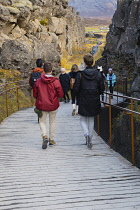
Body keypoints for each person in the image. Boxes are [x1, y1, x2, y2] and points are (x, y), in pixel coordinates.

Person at [73, 54, 105, 149]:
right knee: (91, 119)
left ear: (85, 63)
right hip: (94, 98)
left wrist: (76, 97)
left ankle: (86, 134)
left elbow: (76, 88)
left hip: (83, 98)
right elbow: (102, 87)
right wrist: (97, 93)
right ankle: (90, 137)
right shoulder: (98, 74)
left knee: (83, 119)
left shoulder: (80, 74)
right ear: (93, 62)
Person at [33, 62, 64, 149]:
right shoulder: (56, 81)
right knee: (52, 121)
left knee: (42, 121)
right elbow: (60, 94)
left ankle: (44, 135)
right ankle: (51, 139)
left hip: (42, 105)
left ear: (43, 70)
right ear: (51, 70)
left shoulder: (38, 81)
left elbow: (35, 94)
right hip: (53, 105)